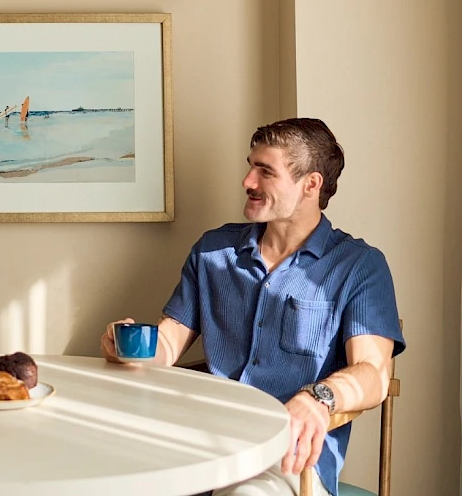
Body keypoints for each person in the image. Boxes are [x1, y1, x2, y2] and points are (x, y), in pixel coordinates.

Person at [100, 118, 404, 496]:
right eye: (250, 166)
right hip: (201, 446)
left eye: (265, 171)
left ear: (311, 184)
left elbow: (373, 375)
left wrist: (319, 398)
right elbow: (167, 344)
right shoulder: (213, 251)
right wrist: (128, 347)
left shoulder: (359, 266)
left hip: (287, 461)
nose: (247, 181)